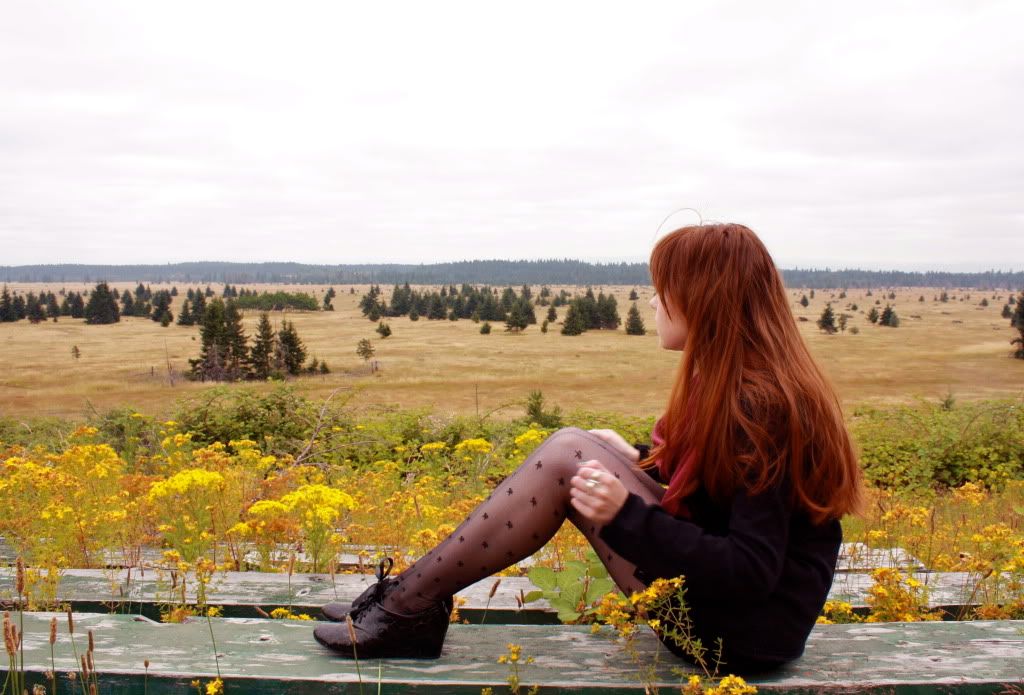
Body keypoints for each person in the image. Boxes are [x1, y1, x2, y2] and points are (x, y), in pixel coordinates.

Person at [314, 223, 864, 673]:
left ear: (703, 299)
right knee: (573, 445)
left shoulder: (758, 404)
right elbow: (722, 504)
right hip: (743, 618)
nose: (653, 301)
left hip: (743, 636)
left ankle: (404, 607)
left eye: (663, 287)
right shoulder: (746, 384)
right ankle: (407, 602)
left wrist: (628, 514)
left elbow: (751, 569)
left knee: (564, 458)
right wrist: (636, 461)